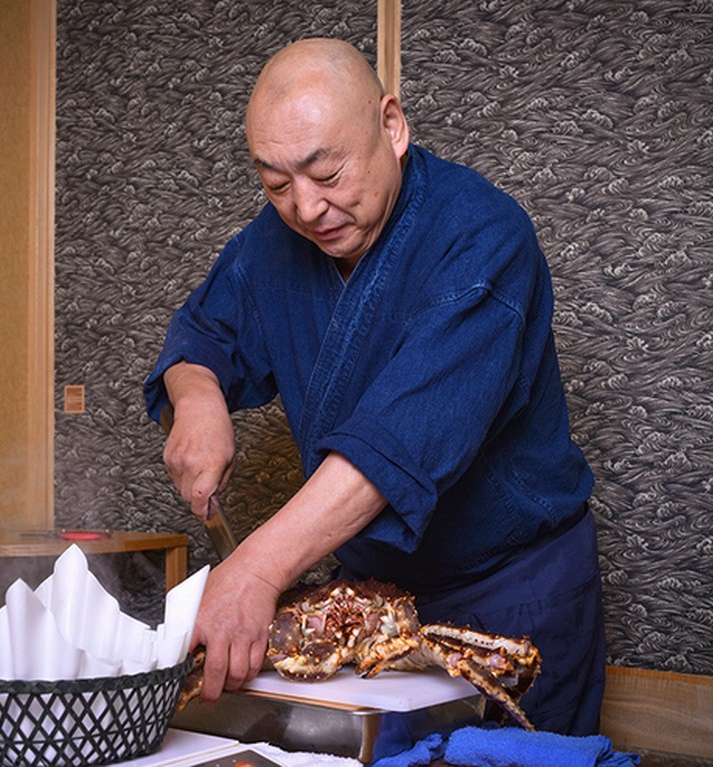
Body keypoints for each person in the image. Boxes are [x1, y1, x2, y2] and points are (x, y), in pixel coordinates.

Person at [143, 37, 606, 735]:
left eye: (326, 172)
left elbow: (399, 443)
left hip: (515, 590)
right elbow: (201, 335)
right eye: (275, 184)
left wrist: (255, 569)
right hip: (374, 606)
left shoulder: (484, 237)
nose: (305, 207)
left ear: (392, 126)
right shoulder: (275, 241)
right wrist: (198, 397)